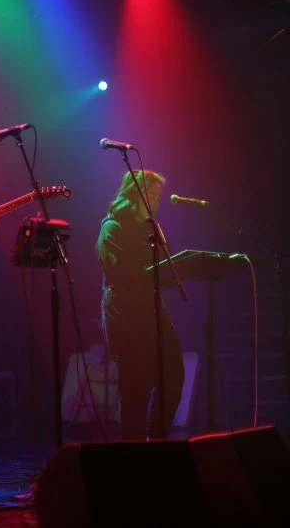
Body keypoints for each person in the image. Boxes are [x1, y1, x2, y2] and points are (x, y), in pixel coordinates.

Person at [96, 169, 185, 441]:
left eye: (157, 196)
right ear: (137, 194)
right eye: (152, 195)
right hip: (125, 312)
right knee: (136, 385)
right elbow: (119, 272)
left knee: (173, 375)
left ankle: (157, 439)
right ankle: (132, 450)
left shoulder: (151, 227)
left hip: (154, 309)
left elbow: (165, 268)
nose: (156, 202)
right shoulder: (112, 227)